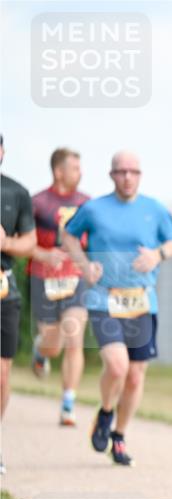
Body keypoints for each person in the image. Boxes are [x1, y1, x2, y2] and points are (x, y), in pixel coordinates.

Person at [62, 150, 172, 466]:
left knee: (135, 375)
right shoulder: (94, 208)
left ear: (140, 175)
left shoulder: (153, 209)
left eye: (133, 171)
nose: (127, 177)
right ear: (111, 175)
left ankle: (119, 435)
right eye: (121, 172)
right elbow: (69, 235)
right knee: (117, 366)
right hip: (105, 298)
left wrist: (158, 255)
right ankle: (105, 411)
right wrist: (84, 265)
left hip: (142, 300)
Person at [29, 147, 90, 425]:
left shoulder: (87, 204)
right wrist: (44, 255)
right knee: (54, 345)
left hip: (75, 278)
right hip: (44, 279)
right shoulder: (37, 203)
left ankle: (68, 403)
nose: (80, 173)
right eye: (75, 167)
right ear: (58, 171)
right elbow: (21, 242)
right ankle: (41, 350)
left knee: (74, 335)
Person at [0, 133, 39, 474]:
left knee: (1, 373)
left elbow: (30, 242)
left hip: (3, 290)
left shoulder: (16, 192)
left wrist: (6, 242)